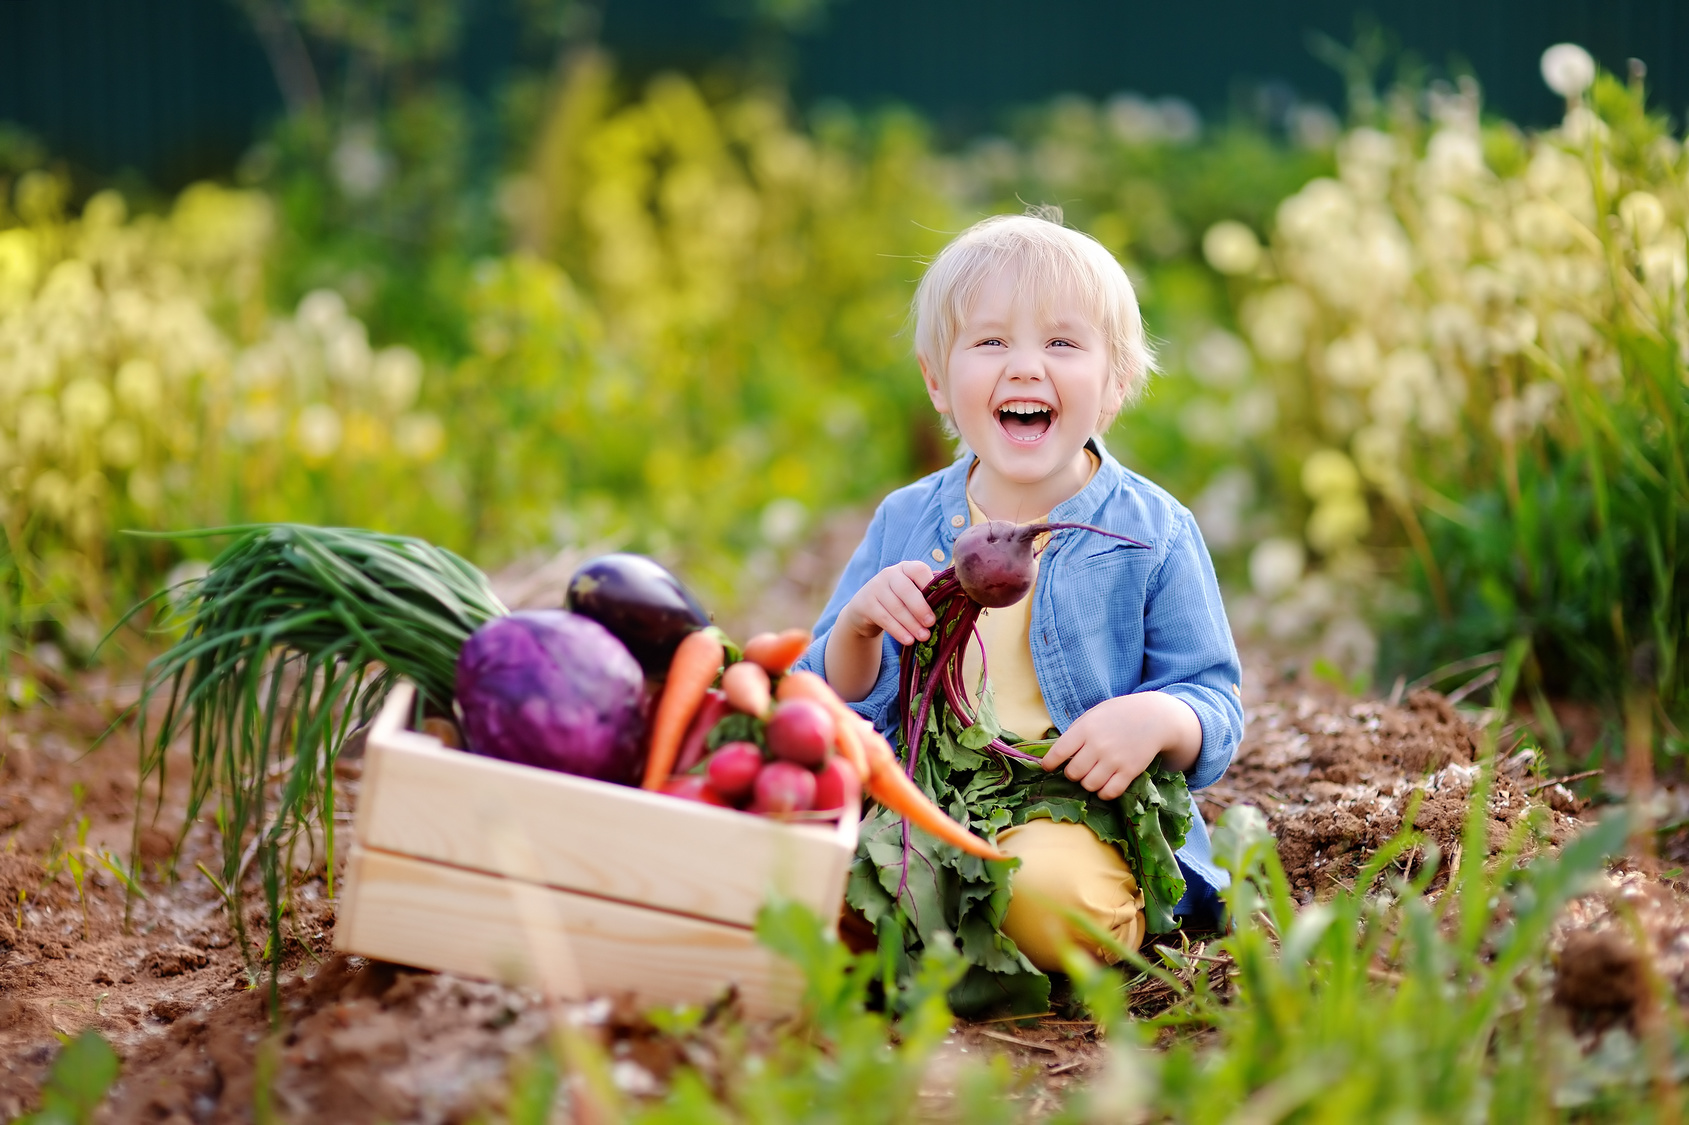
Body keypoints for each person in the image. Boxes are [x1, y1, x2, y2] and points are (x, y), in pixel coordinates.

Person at [793, 208, 1244, 982]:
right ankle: (934, 924)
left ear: (1113, 385)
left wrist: (1157, 717)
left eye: (1062, 343)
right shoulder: (907, 520)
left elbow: (1214, 701)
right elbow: (820, 696)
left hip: (1070, 806)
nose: (1026, 368)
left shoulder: (1152, 531)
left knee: (1046, 897)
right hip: (921, 798)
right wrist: (861, 627)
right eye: (991, 341)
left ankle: (1077, 914)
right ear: (938, 381)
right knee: (801, 872)